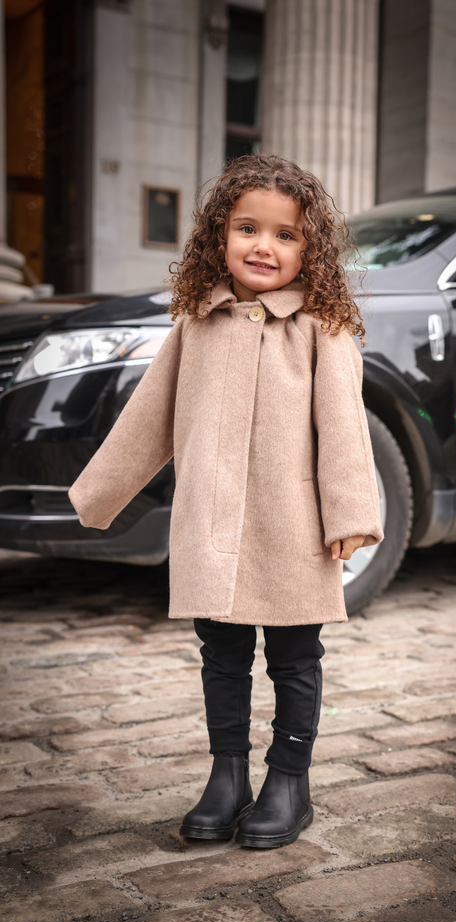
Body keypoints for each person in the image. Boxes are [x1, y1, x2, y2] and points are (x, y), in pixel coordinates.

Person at [69, 154, 383, 849]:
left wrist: (351, 515)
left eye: (285, 234)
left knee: (294, 656)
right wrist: (97, 496)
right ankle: (227, 775)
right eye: (248, 228)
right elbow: (148, 417)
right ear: (219, 235)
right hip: (210, 521)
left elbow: (344, 428)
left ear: (310, 249)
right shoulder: (196, 323)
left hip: (292, 523)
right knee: (221, 653)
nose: (263, 246)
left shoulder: (322, 328)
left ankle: (289, 781)